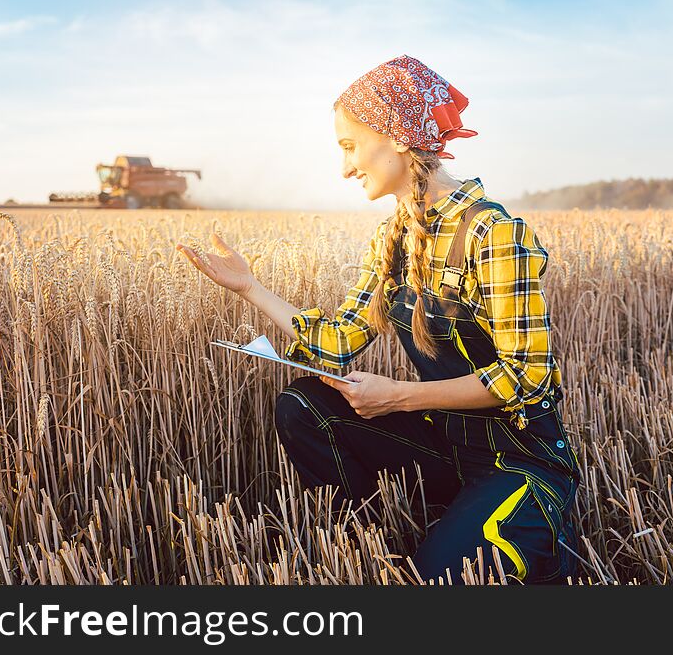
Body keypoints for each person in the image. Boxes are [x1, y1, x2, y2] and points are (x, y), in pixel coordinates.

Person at [177, 54, 582, 585]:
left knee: (434, 584)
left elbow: (526, 377)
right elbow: (340, 339)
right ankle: (376, 545)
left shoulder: (492, 233)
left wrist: (398, 396)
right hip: (447, 445)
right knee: (303, 406)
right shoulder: (390, 238)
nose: (345, 168)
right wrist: (251, 288)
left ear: (395, 135)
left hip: (519, 459)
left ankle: (488, 539)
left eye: (349, 146)